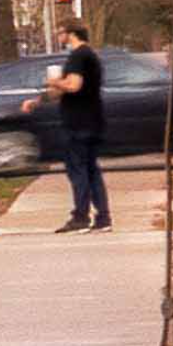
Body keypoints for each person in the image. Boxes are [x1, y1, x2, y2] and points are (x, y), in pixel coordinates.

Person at [49, 24, 111, 230]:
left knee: (78, 171)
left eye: (60, 32)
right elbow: (69, 88)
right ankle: (103, 217)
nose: (58, 36)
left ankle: (81, 217)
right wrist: (40, 99)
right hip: (93, 119)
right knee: (91, 170)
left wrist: (55, 82)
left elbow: (74, 86)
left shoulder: (77, 56)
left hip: (78, 122)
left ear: (71, 34)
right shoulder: (91, 55)